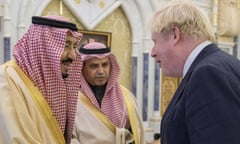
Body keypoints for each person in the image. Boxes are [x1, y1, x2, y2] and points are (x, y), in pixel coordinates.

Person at [150, 1, 240, 144]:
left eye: (155, 42)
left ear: (175, 35)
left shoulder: (207, 74)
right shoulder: (222, 63)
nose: (152, 53)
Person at [0, 15, 83, 144]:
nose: (73, 55)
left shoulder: (53, 82)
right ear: (42, 45)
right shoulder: (8, 79)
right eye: (65, 45)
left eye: (74, 46)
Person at [71, 42, 145, 144]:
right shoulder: (72, 99)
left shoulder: (126, 97)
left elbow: (137, 135)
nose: (101, 71)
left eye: (105, 65)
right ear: (82, 68)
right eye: (94, 66)